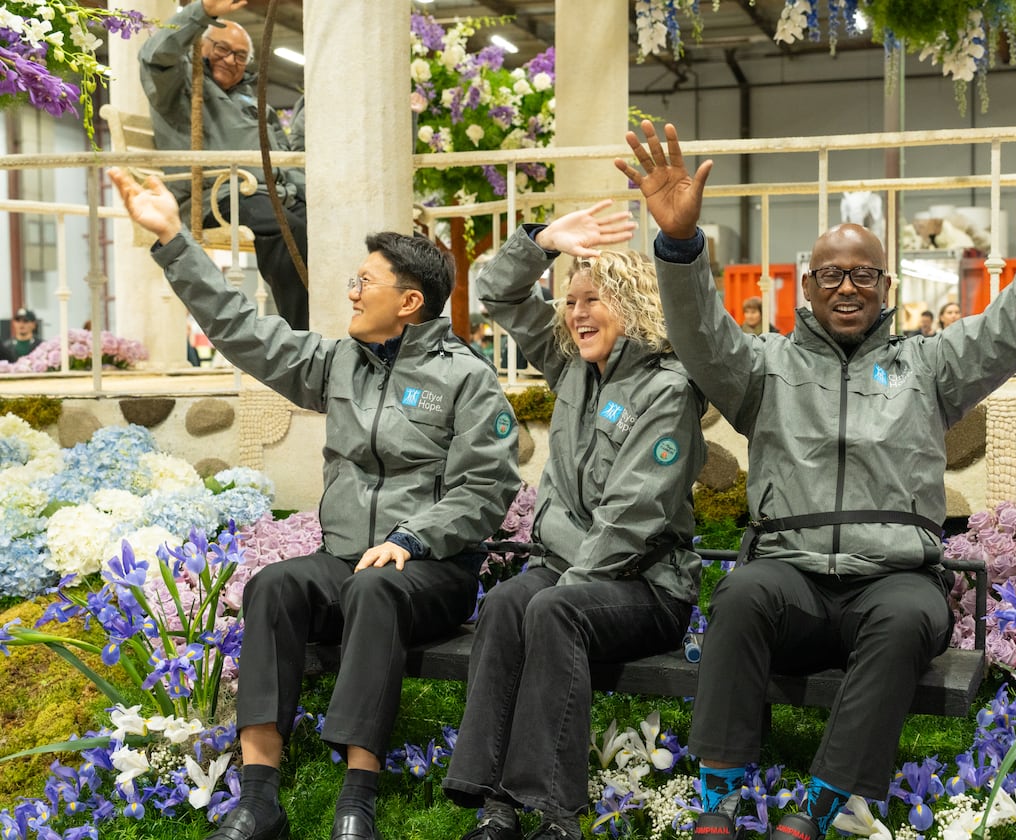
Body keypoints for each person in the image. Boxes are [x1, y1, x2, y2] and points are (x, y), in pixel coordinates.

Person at [615, 107, 1016, 840]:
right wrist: (679, 244)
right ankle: (721, 793)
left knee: (910, 614)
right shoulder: (764, 368)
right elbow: (698, 335)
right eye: (832, 274)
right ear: (807, 283)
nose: (847, 286)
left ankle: (825, 804)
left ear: (885, 285)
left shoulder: (930, 366)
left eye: (862, 274)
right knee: (740, 594)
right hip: (790, 575)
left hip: (890, 579)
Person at [108, 167, 520, 840]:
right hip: (346, 562)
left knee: (376, 591)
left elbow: (484, 492)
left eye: (365, 282)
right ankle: (258, 796)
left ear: (410, 302)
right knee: (274, 585)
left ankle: (357, 797)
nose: (350, 292)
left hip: (431, 573)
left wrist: (411, 539)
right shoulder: (337, 364)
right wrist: (175, 240)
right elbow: (242, 330)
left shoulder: (466, 380)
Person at [444, 201, 707, 840]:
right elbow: (495, 293)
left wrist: (564, 587)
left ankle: (556, 812)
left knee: (549, 610)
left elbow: (633, 517)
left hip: (648, 586)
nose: (576, 312)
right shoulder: (571, 368)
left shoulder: (667, 390)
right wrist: (542, 242)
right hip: (567, 572)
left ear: (635, 305)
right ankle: (496, 804)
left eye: (594, 299)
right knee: (508, 602)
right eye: (570, 301)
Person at [139, 0, 310, 330]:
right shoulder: (180, 90)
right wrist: (201, 13)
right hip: (218, 194)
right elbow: (154, 57)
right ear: (201, 46)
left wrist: (310, 196)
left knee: (328, 229)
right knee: (284, 228)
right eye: (222, 48)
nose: (231, 60)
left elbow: (284, 157)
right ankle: (304, 334)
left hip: (269, 194)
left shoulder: (253, 101)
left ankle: (339, 325)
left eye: (240, 56)